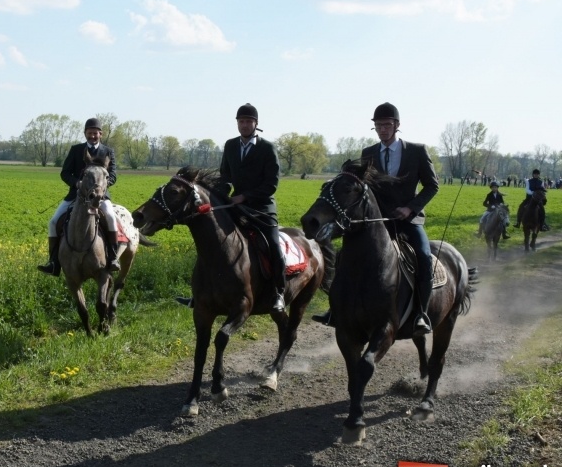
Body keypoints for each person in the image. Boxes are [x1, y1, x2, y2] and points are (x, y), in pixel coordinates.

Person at [313, 102, 439, 337]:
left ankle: (421, 314)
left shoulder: (417, 151)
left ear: (397, 125)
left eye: (386, 125)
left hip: (408, 220)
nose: (382, 129)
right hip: (375, 221)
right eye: (378, 126)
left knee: (423, 256)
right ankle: (335, 310)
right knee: (344, 255)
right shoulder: (368, 153)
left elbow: (432, 186)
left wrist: (410, 209)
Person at [176, 103, 287, 312]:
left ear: (256, 123)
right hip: (235, 204)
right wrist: (218, 196)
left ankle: (278, 292)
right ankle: (201, 294)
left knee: (274, 245)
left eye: (248, 121)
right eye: (241, 121)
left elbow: (271, 184)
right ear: (237, 123)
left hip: (262, 207)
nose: (244, 125)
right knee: (214, 242)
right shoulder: (230, 146)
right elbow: (225, 177)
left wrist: (245, 196)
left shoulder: (267, 148)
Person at [37, 117, 121, 276]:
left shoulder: (108, 151)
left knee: (110, 217)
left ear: (101, 134)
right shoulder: (76, 150)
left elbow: (113, 175)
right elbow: (65, 173)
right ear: (85, 133)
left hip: (100, 196)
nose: (92, 136)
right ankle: (53, 263)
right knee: (53, 222)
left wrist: (102, 186)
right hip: (76, 195)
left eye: (95, 133)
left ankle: (113, 258)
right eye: (90, 133)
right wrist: (77, 183)